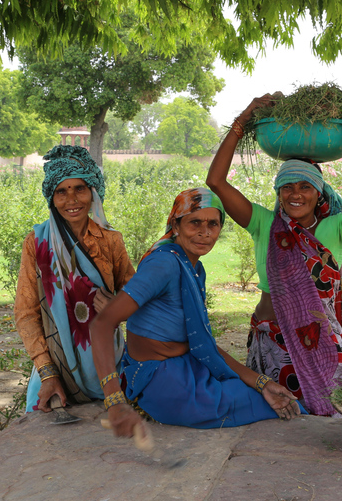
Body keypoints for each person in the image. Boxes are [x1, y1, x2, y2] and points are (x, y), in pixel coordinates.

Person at [206, 94, 342, 416]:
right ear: (279, 193)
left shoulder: (336, 229)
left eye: (305, 187)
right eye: (287, 187)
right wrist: (242, 120)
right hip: (272, 343)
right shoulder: (264, 224)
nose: (296, 194)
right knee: (273, 418)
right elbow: (215, 180)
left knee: (324, 419)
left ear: (318, 192)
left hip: (320, 344)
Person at [90, 188, 303, 438]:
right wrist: (115, 402)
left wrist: (261, 382)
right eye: (195, 223)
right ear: (176, 225)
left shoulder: (194, 268)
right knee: (272, 405)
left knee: (264, 394)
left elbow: (202, 343)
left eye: (213, 224)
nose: (205, 232)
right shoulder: (165, 264)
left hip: (188, 367)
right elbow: (101, 325)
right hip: (165, 382)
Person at [14, 145, 135, 413]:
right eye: (61, 191)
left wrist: (116, 308)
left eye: (79, 188)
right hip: (57, 369)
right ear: (51, 197)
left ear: (93, 192)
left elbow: (137, 298)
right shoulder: (37, 243)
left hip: (109, 367)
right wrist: (47, 372)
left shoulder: (111, 242)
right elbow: (26, 312)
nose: (72, 200)